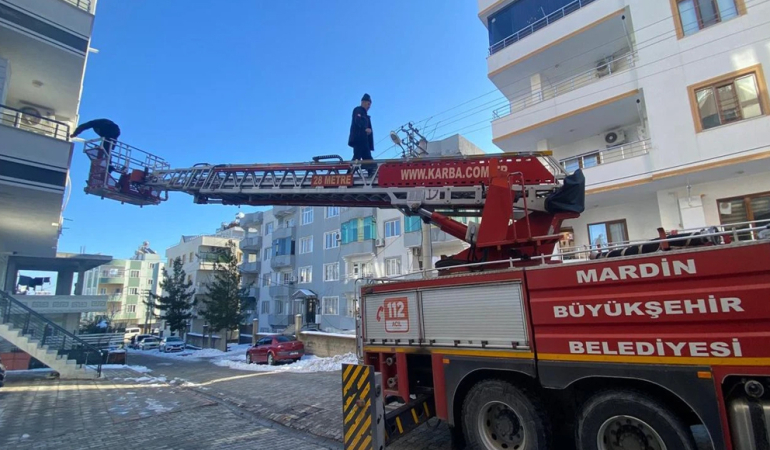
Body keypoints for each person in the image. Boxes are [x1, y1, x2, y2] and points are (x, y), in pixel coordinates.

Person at [348, 93, 376, 175]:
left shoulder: (365, 115)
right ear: (363, 102)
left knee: (367, 158)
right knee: (358, 158)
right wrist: (365, 129)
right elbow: (358, 120)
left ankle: (371, 173)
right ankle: (348, 175)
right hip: (359, 139)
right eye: (368, 104)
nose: (369, 107)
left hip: (364, 141)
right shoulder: (358, 110)